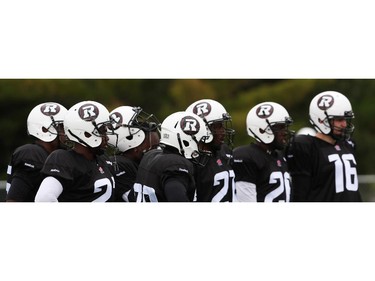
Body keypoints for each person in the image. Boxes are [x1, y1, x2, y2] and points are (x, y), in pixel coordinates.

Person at [286, 91, 362, 202]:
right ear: (321, 120)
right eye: (339, 119)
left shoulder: (348, 144)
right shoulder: (306, 146)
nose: (344, 124)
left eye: (345, 119)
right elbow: (300, 193)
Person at [35, 100, 115, 202]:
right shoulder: (64, 159)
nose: (107, 138)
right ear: (87, 134)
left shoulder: (102, 159)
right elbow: (44, 199)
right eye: (102, 131)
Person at [128, 111, 211, 202]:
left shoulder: (150, 155)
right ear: (185, 141)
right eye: (200, 142)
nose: (202, 147)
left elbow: (131, 197)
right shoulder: (176, 165)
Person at [5, 102, 68, 202]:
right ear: (44, 129)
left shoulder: (54, 155)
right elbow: (13, 202)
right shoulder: (32, 155)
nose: (65, 133)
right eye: (61, 127)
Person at [232, 102, 294, 202]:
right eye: (280, 128)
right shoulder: (246, 157)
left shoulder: (279, 156)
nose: (285, 132)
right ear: (262, 130)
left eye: (285, 127)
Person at [186, 99, 237, 202]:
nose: (223, 131)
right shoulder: (190, 160)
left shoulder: (224, 151)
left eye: (222, 125)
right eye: (218, 126)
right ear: (202, 128)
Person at [107, 106, 160, 202]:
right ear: (130, 139)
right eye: (154, 147)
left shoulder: (134, 162)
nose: (158, 151)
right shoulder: (120, 165)